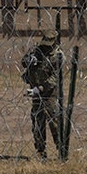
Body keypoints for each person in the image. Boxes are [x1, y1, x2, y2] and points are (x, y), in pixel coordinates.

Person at [21, 29, 63, 160]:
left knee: (55, 123)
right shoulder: (37, 50)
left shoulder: (58, 55)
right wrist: (28, 60)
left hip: (50, 94)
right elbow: (23, 62)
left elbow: (55, 77)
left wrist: (40, 88)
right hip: (36, 93)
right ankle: (40, 151)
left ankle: (61, 150)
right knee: (38, 122)